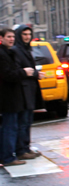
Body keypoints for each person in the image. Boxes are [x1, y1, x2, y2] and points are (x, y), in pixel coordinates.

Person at [0, 28, 35, 167]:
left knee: (11, 127)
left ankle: (8, 155)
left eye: (13, 37)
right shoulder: (2, 54)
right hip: (8, 97)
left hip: (12, 97)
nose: (11, 39)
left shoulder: (8, 52)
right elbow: (8, 75)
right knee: (10, 127)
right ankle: (8, 157)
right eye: (8, 37)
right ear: (1, 38)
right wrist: (23, 72)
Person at [13, 25, 44, 160]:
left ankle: (25, 148)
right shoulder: (16, 50)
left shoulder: (26, 49)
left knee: (27, 121)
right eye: (24, 34)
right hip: (23, 92)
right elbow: (19, 70)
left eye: (29, 34)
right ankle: (21, 150)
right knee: (23, 122)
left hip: (29, 90)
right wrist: (35, 74)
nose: (27, 37)